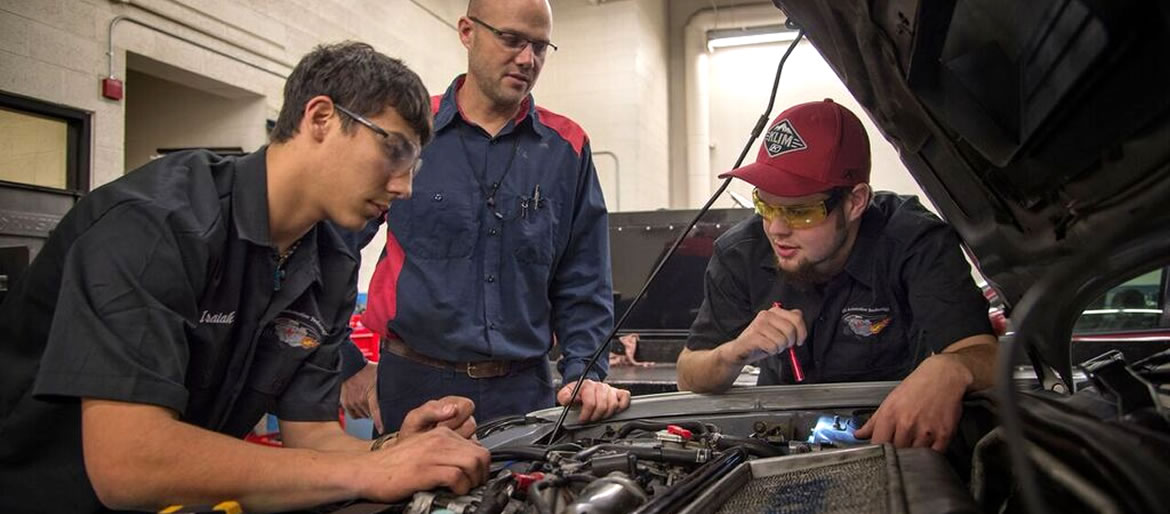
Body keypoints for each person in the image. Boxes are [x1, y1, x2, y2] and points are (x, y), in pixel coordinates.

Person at [0, 42, 489, 513]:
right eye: (395, 151)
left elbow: (313, 437)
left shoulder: (330, 260)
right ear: (321, 118)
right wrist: (370, 471)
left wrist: (396, 454)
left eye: (414, 165)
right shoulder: (157, 224)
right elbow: (128, 463)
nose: (404, 187)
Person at [339, 0, 629, 433]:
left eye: (541, 47)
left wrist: (585, 372)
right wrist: (346, 363)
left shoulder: (566, 148)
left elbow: (584, 279)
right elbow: (331, 246)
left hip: (525, 391)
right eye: (511, 40)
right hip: (413, 386)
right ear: (467, 32)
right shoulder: (412, 131)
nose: (527, 59)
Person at [676, 99, 998, 452]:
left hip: (892, 438)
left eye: (800, 211)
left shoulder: (913, 242)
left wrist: (950, 368)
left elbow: (984, 354)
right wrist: (733, 353)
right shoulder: (740, 252)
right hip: (781, 446)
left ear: (855, 202)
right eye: (766, 205)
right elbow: (689, 372)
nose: (776, 229)